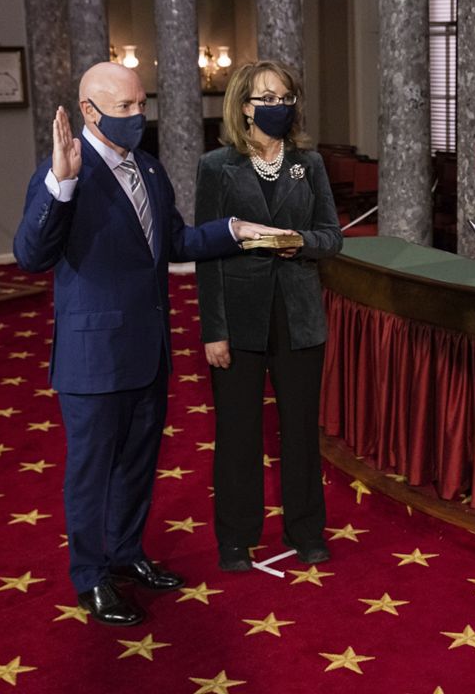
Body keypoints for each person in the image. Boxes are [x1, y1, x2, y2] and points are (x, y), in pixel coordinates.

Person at [14, 62, 291, 626]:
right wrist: (60, 185)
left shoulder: (149, 168)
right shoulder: (63, 171)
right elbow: (30, 256)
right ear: (89, 112)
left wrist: (234, 231)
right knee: (91, 473)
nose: (139, 116)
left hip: (148, 349)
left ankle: (125, 554)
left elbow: (175, 242)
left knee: (138, 466)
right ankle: (90, 579)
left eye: (143, 104)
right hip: (92, 360)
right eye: (125, 109)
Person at [194, 60, 343, 572]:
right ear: (244, 106)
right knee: (238, 430)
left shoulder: (310, 162)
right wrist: (213, 331)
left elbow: (332, 236)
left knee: (300, 430)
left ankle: (306, 531)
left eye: (285, 98)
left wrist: (300, 242)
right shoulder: (216, 167)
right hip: (239, 317)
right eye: (266, 98)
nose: (277, 107)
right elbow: (207, 253)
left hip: (299, 316)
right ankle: (236, 537)